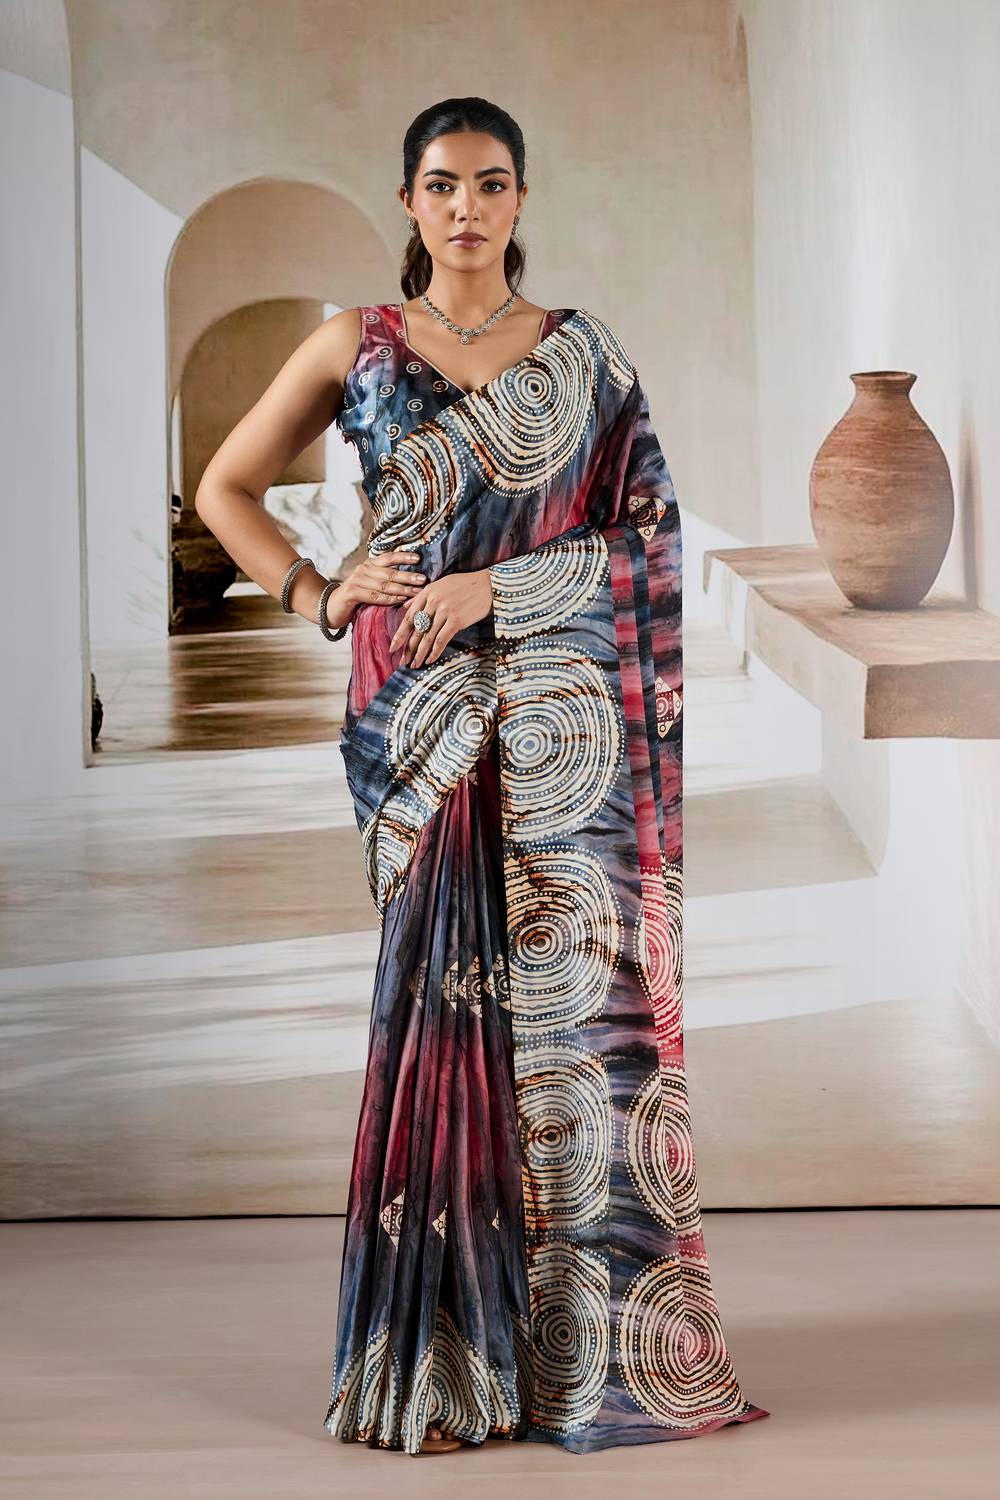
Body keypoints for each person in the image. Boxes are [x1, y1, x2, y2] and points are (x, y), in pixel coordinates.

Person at [195, 95, 770, 1459]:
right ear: (408, 200)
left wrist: (496, 586)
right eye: (444, 183)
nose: (468, 206)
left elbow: (648, 540)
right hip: (421, 718)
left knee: (566, 1022)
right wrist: (320, 591)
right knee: (438, 1010)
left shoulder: (584, 356)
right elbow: (225, 489)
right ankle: (442, 1361)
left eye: (492, 183)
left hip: (564, 730)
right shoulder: (354, 343)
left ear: (521, 199)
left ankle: (572, 1356)